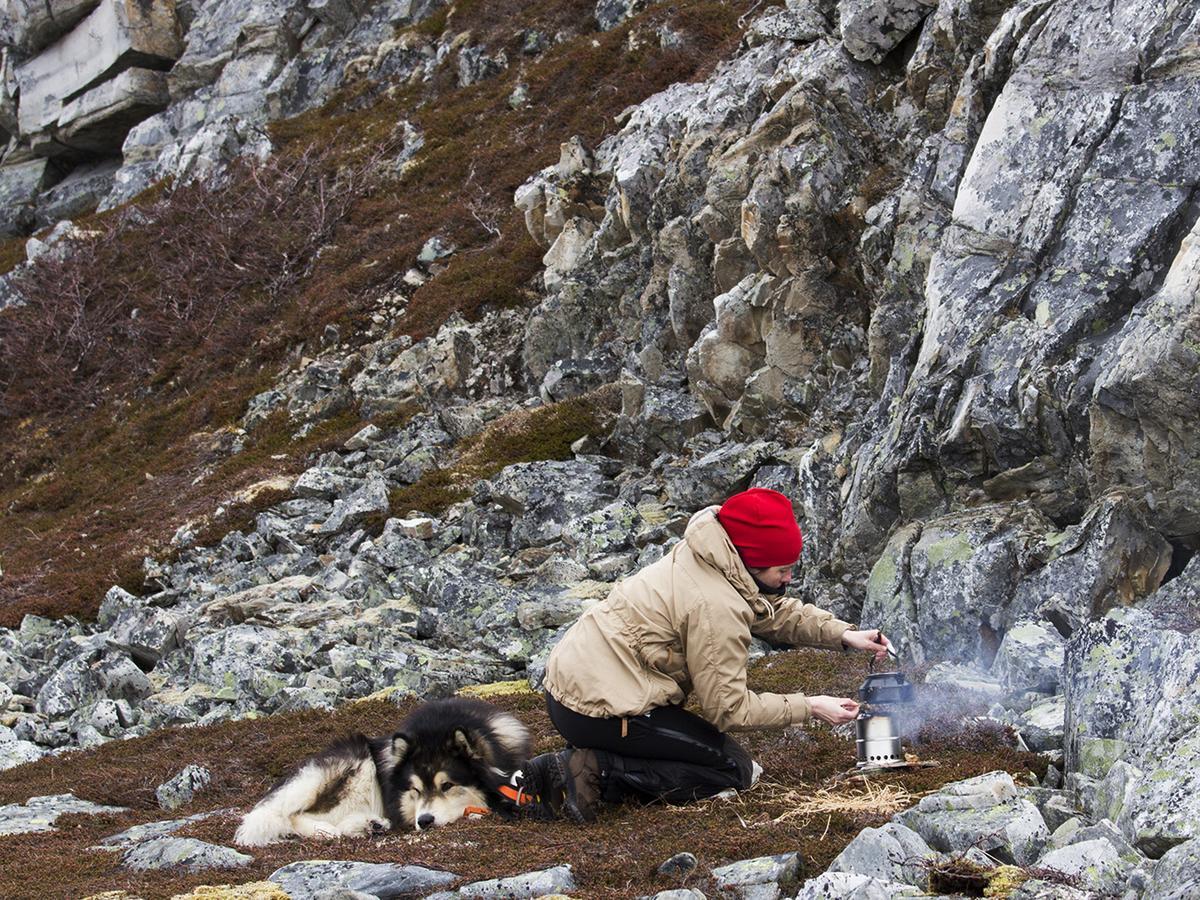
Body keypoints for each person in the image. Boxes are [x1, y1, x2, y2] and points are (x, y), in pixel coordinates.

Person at [508, 487, 890, 822]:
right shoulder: (715, 605)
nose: (788, 578)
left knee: (718, 759)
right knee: (733, 771)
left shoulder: (714, 555)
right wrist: (810, 706)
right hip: (599, 709)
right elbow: (728, 709)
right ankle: (593, 770)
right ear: (753, 559)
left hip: (576, 691)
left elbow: (769, 611)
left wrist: (845, 635)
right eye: (783, 570)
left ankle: (588, 759)